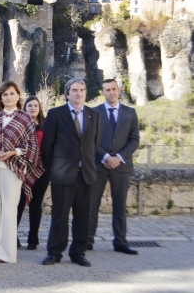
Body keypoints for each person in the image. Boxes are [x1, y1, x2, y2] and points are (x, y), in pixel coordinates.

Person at [0, 80, 43, 263]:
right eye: (5, 94)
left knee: (9, 209)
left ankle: (7, 253)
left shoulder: (25, 118)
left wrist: (13, 152)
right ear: (0, 97)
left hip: (13, 168)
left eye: (12, 93)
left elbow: (31, 145)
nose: (8, 97)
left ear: (18, 96)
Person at [42, 77, 101, 267]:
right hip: (62, 173)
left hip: (86, 174)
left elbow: (95, 145)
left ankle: (78, 253)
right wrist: (53, 168)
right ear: (67, 94)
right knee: (60, 215)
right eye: (75, 90)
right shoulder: (55, 114)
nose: (79, 93)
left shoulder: (94, 115)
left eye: (82, 90)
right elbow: (47, 145)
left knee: (83, 215)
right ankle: (54, 253)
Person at [88, 79, 140, 255]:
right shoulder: (93, 112)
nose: (111, 92)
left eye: (113, 89)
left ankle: (120, 242)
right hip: (99, 164)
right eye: (107, 89)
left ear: (119, 90)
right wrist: (105, 156)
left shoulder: (130, 113)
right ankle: (87, 241)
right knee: (91, 205)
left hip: (121, 165)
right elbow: (90, 140)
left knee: (120, 206)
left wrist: (117, 157)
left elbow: (134, 140)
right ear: (102, 92)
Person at [16, 96, 50, 250]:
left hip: (42, 169)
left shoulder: (46, 125)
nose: (33, 108)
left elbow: (51, 145)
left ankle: (33, 238)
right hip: (22, 168)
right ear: (25, 108)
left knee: (36, 203)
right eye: (29, 105)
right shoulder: (19, 125)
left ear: (39, 108)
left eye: (36, 105)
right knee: (19, 202)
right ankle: (12, 236)